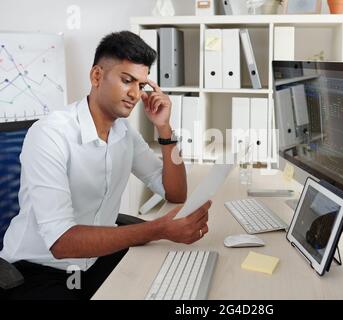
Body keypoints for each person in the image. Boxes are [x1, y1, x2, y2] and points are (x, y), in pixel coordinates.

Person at [0, 31, 210, 300]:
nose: (135, 94)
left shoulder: (125, 134)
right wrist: (158, 229)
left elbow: (175, 192)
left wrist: (164, 127)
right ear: (97, 76)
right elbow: (61, 243)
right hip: (36, 270)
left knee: (171, 286)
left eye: (142, 85)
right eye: (127, 81)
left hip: (95, 261)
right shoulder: (50, 134)